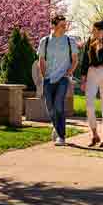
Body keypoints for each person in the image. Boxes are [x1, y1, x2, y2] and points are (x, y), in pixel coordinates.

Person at [37, 14, 78, 146]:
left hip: (63, 78)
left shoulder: (69, 41)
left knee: (59, 105)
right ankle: (55, 126)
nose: (64, 28)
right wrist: (44, 76)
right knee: (50, 107)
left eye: (65, 25)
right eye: (61, 26)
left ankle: (62, 136)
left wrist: (68, 73)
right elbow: (41, 60)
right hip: (48, 78)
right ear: (53, 26)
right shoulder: (45, 41)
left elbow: (75, 59)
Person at [80, 21, 103, 148]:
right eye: (93, 30)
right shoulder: (89, 42)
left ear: (102, 31)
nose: (93, 32)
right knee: (89, 104)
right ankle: (95, 134)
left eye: (95, 30)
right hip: (91, 72)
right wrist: (83, 78)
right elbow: (85, 60)